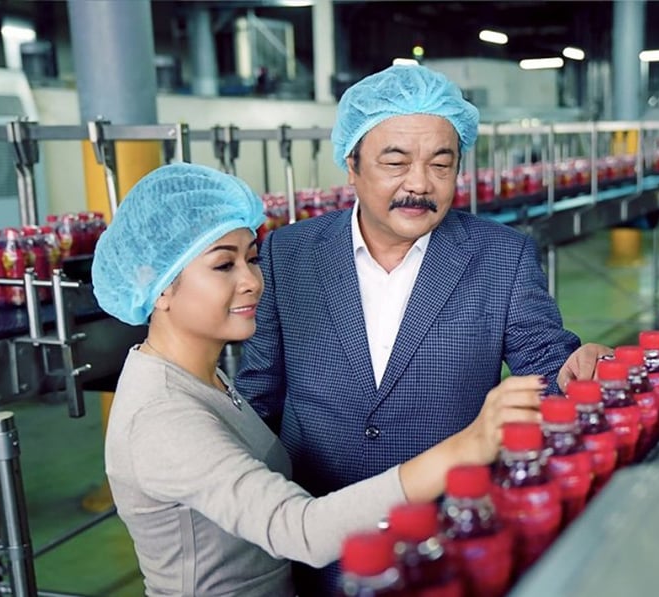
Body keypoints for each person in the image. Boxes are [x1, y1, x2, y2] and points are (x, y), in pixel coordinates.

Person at [234, 64, 610, 594]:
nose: (419, 184)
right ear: (352, 163)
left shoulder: (501, 256)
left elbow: (545, 361)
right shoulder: (286, 255)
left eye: (441, 163)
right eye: (395, 161)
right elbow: (260, 397)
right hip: (313, 541)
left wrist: (576, 371)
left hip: (446, 541)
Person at [92, 163, 545, 596]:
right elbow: (298, 528)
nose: (252, 281)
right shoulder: (162, 417)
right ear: (158, 285)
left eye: (251, 259)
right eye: (223, 265)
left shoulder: (202, 381)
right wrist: (465, 447)